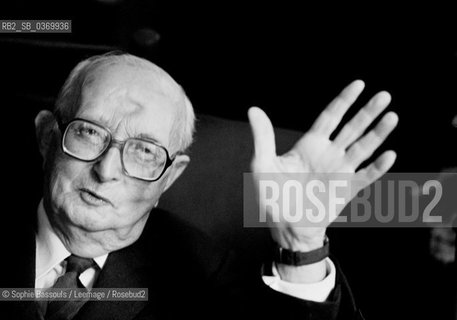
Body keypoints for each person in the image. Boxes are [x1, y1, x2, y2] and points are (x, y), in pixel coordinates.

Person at [0, 51, 398, 320]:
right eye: (89, 132)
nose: (107, 170)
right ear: (47, 137)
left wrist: (302, 249)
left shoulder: (202, 273)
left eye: (144, 151)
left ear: (170, 176)